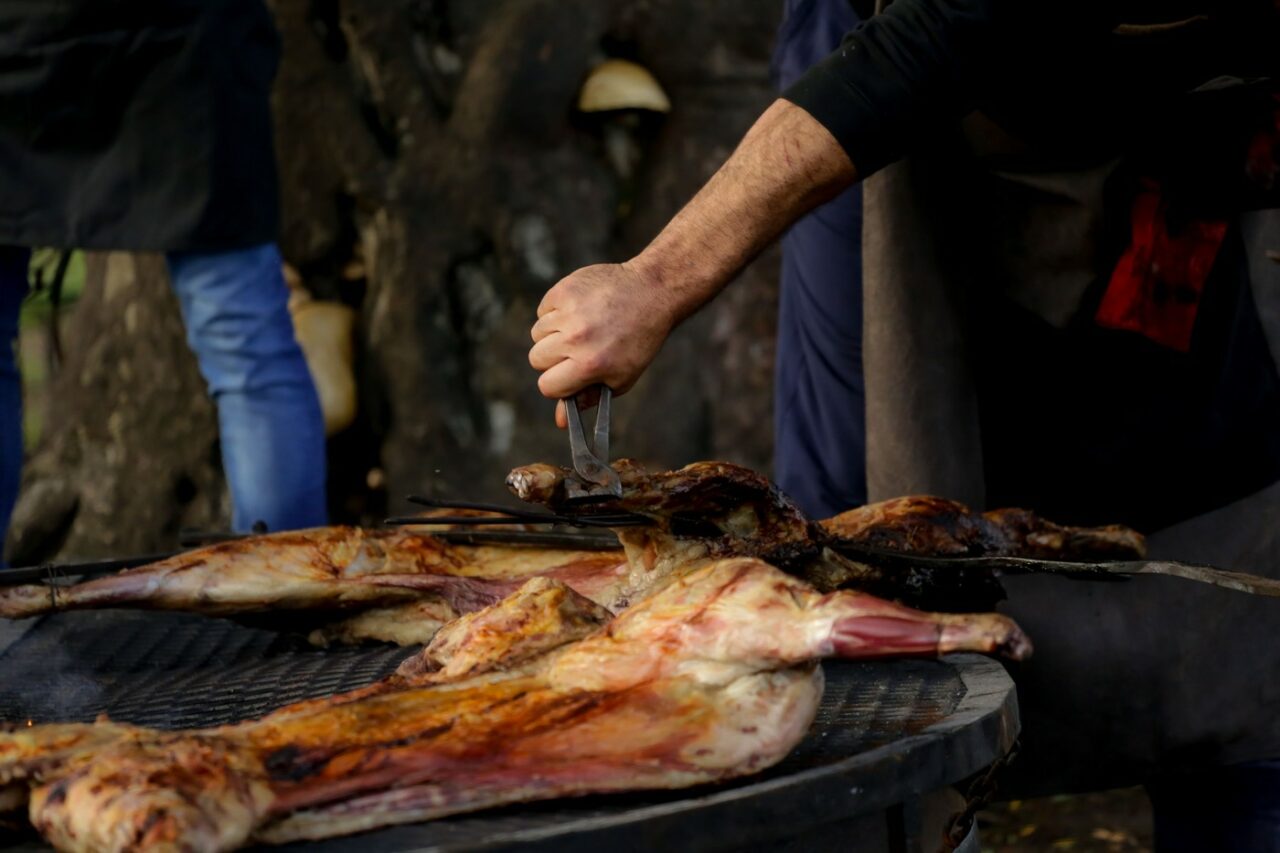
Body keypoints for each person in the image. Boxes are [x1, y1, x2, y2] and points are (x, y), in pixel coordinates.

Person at [529, 2, 1280, 849]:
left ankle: (1248, 804)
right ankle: (890, 822)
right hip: (896, 98)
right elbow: (929, 43)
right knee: (859, 531)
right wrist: (653, 283)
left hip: (1185, 132)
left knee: (1226, 469)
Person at [0, 1, 327, 548]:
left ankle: (292, 579)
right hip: (179, 45)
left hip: (161, 48)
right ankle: (293, 585)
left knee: (249, 350)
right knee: (249, 351)